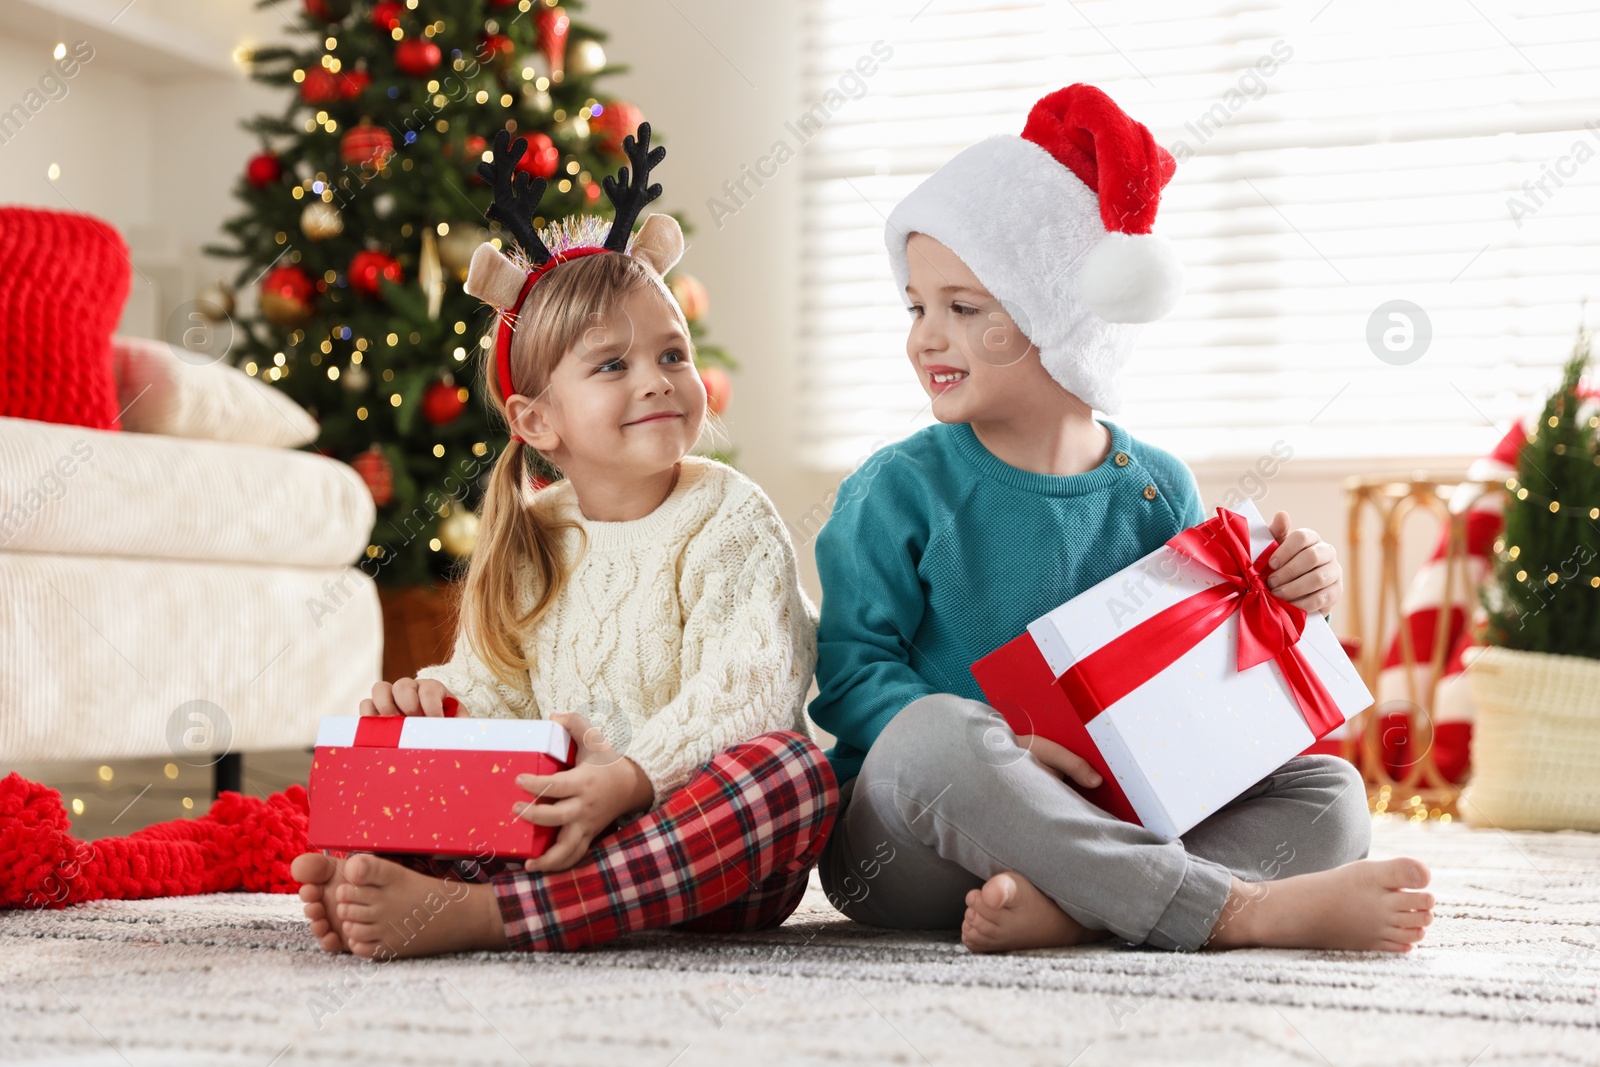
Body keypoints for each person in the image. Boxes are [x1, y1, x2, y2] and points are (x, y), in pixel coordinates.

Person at [808, 84, 1434, 955]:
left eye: (964, 307)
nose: (924, 336)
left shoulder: (1157, 485)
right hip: (919, 842)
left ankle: (1076, 906)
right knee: (928, 738)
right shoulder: (895, 489)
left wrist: (1298, 595)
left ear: (1057, 317)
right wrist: (1007, 746)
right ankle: (1229, 910)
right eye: (917, 306)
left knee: (1330, 796)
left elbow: (1211, 674)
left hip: (1109, 821)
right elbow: (852, 681)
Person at [291, 126, 835, 959]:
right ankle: (385, 872)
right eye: (611, 365)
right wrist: (433, 707)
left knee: (793, 773)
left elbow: (749, 688)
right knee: (409, 758)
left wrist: (624, 780)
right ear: (538, 420)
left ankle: (489, 917)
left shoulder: (729, 514)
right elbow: (495, 691)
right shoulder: (536, 536)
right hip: (560, 833)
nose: (656, 377)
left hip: (697, 854)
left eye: (671, 353)